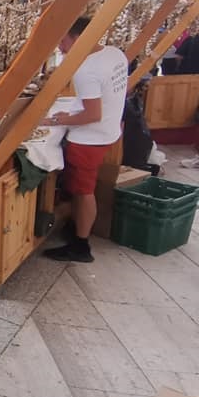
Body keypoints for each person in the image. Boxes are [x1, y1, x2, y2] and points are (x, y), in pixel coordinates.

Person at [42, 17, 127, 263]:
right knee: (81, 189)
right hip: (108, 132)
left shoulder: (84, 69)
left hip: (89, 139)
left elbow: (92, 114)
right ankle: (78, 227)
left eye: (63, 40)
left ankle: (81, 245)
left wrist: (57, 121)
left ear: (78, 38)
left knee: (83, 191)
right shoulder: (114, 53)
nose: (60, 47)